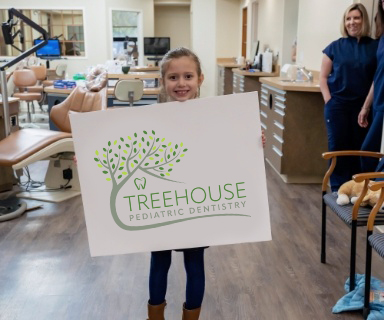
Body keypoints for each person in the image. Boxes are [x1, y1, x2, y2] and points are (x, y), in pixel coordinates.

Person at [146, 47, 266, 320]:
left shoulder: (217, 116)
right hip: (161, 203)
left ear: (200, 79)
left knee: (194, 262)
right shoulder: (147, 119)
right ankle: (154, 316)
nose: (181, 83)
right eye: (173, 77)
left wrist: (253, 142)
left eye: (188, 76)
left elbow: (231, 149)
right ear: (163, 81)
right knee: (159, 260)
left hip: (195, 205)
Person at [319, 3, 378, 192]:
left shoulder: (375, 47)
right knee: (338, 148)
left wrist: (366, 107)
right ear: (344, 23)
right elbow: (322, 77)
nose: (352, 22)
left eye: (356, 18)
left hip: (364, 108)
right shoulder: (334, 47)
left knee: (360, 149)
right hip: (337, 107)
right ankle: (338, 190)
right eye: (348, 18)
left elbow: (377, 80)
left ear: (364, 20)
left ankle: (358, 190)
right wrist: (329, 101)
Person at [359, 0, 384, 172]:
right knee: (368, 154)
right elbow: (378, 75)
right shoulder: (382, 37)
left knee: (369, 154)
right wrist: (366, 106)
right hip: (378, 105)